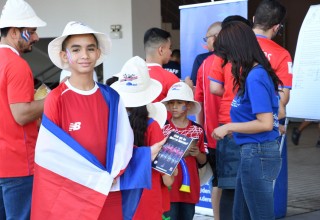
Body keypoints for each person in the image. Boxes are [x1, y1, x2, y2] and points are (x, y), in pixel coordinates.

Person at [31, 21, 164, 220]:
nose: (84, 55)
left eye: (90, 48)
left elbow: (124, 143)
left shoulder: (112, 97)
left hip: (108, 192)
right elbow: (51, 154)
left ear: (98, 53)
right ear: (64, 55)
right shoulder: (56, 99)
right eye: (76, 49)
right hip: (73, 195)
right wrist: (93, 179)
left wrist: (145, 155)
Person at [212, 21, 283, 220]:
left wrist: (229, 127)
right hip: (252, 152)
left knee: (259, 215)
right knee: (240, 214)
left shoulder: (255, 77)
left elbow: (265, 123)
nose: (227, 62)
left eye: (227, 56)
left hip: (257, 153)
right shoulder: (254, 74)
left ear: (236, 49)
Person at [111, 56, 176, 220]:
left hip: (117, 198)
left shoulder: (110, 124)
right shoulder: (152, 127)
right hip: (147, 198)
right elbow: (168, 179)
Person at [0, 0, 47, 219]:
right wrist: (54, 98)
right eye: (32, 31)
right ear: (14, 32)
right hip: (19, 165)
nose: (36, 38)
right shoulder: (16, 65)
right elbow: (21, 114)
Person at [208, 15, 252, 220]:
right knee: (252, 187)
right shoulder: (254, 55)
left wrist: (230, 92)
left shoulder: (221, 56)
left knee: (229, 186)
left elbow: (214, 87)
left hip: (228, 121)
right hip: (255, 123)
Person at [161, 82, 207, 220]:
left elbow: (203, 161)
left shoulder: (198, 130)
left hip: (190, 188)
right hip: (169, 188)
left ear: (188, 105)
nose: (174, 106)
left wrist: (197, 154)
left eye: (179, 102)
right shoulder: (162, 128)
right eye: (171, 103)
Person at [194, 21, 222, 220]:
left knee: (217, 183)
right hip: (237, 134)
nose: (206, 43)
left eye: (208, 38)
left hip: (212, 137)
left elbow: (199, 104)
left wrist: (200, 132)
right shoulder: (237, 61)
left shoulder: (205, 65)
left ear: (217, 37)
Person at [252, 0, 293, 125]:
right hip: (266, 123)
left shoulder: (232, 45)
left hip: (230, 121)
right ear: (276, 27)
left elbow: (215, 88)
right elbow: (283, 96)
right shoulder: (282, 54)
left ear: (254, 19)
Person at [144, 27, 180, 102]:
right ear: (161, 50)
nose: (171, 52)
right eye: (170, 48)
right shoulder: (170, 78)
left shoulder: (130, 76)